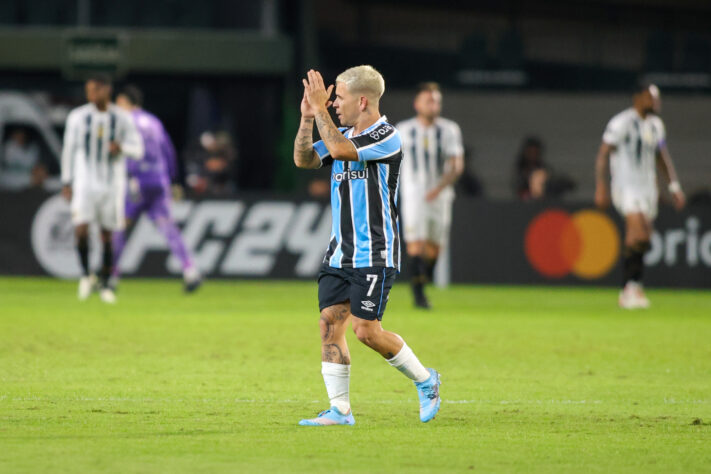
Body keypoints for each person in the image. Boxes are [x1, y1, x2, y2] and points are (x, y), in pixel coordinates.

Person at [293, 66, 441, 426]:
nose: (334, 104)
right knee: (330, 325)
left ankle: (426, 380)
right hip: (340, 251)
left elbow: (342, 151)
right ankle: (340, 411)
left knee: (365, 331)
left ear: (363, 101)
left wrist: (321, 112)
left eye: (339, 98)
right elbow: (304, 159)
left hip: (375, 252)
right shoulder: (339, 130)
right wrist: (308, 117)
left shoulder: (387, 136)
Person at [595, 83, 685, 309]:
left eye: (657, 98)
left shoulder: (656, 125)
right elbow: (603, 155)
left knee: (644, 238)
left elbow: (661, 156)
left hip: (647, 189)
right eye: (650, 98)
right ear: (637, 98)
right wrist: (601, 187)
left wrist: (673, 187)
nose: (655, 102)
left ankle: (633, 286)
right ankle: (628, 289)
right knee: (637, 231)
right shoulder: (621, 123)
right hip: (626, 187)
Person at [60, 74, 144, 304]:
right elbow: (68, 149)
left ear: (107, 90)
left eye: (95, 90)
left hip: (111, 184)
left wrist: (122, 148)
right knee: (81, 230)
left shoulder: (122, 117)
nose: (91, 95)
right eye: (88, 90)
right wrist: (66, 181)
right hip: (85, 183)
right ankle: (87, 275)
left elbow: (138, 150)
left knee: (107, 234)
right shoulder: (78, 117)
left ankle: (106, 282)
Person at [111, 85, 202, 292]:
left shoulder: (124, 122)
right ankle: (190, 270)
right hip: (159, 181)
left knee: (120, 226)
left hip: (136, 182)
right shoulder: (154, 122)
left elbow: (123, 153)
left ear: (125, 102)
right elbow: (168, 151)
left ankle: (112, 275)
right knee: (168, 227)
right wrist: (173, 180)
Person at [397, 82, 464, 309]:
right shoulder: (404, 129)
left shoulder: (449, 129)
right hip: (414, 193)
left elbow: (457, 164)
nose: (433, 104)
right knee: (415, 244)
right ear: (417, 104)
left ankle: (423, 280)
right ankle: (419, 295)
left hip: (441, 195)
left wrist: (440, 187)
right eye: (428, 100)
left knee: (435, 248)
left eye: (436, 100)